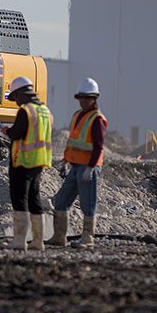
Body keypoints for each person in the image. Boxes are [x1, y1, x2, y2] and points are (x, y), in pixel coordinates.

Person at [46, 77, 108, 249]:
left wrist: (91, 167)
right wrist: (66, 160)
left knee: (88, 203)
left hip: (88, 167)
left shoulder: (97, 119)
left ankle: (88, 238)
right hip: (75, 166)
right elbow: (73, 140)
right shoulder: (78, 115)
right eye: (80, 97)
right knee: (61, 200)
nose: (82, 100)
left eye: (86, 97)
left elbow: (98, 146)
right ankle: (59, 237)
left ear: (94, 99)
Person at [2, 76, 53, 251]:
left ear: (22, 94)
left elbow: (18, 134)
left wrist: (7, 131)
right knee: (34, 199)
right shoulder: (45, 111)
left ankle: (20, 240)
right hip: (39, 162)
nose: (16, 101)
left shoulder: (26, 110)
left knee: (20, 199)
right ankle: (38, 241)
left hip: (23, 162)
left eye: (15, 97)